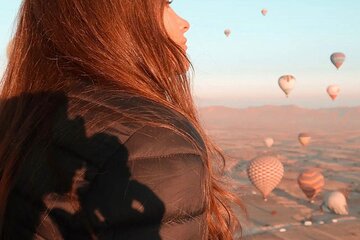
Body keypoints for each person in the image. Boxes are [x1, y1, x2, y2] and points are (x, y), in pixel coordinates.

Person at [0, 0, 244, 239]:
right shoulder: (153, 138)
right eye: (165, 4)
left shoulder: (23, 118)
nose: (184, 23)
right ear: (112, 18)